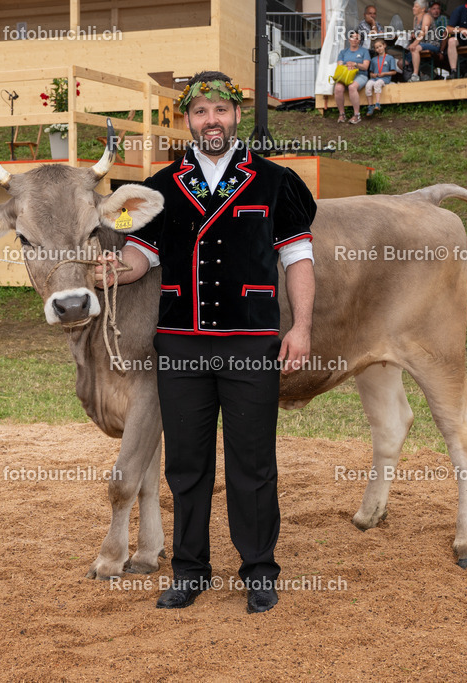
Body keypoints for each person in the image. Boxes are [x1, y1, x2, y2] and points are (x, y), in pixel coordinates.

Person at [95, 71, 315, 614]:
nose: (210, 120)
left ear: (236, 115)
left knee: (253, 463)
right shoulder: (160, 188)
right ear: (187, 121)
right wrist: (111, 270)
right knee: (187, 466)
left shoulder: (276, 181)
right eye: (200, 112)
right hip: (181, 346)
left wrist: (302, 327)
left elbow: (298, 259)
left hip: (251, 343)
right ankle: (189, 570)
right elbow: (140, 259)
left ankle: (259, 570)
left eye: (220, 110)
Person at [334, 32, 370, 124]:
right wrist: (348, 65)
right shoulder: (343, 52)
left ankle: (357, 115)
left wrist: (355, 64)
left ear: (359, 41)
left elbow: (365, 67)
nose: (355, 40)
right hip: (346, 75)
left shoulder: (364, 51)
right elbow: (339, 65)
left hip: (360, 75)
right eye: (353, 38)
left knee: (352, 87)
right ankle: (342, 114)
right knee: (338, 88)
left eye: (357, 38)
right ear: (349, 40)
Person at [408, 0, 443, 81]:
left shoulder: (426, 16)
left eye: (416, 7)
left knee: (415, 48)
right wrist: (413, 34)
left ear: (423, 9)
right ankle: (432, 75)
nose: (413, 8)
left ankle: (415, 76)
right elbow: (416, 31)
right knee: (404, 61)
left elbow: (423, 31)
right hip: (422, 44)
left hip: (432, 44)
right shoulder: (415, 18)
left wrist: (414, 43)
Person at [366, 38, 398, 116]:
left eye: (380, 46)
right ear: (375, 50)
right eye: (376, 48)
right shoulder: (373, 59)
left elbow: (394, 72)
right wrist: (373, 75)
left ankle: (377, 104)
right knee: (368, 85)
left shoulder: (390, 58)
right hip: (374, 78)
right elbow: (371, 73)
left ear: (384, 45)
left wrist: (384, 74)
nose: (379, 49)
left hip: (385, 78)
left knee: (378, 83)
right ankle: (370, 106)